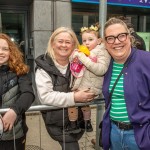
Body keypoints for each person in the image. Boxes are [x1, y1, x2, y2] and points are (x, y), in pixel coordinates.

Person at [35, 27, 95, 150]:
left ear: (74, 45)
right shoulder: (43, 68)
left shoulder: (79, 62)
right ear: (52, 43)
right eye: (60, 41)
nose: (64, 45)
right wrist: (75, 97)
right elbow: (45, 96)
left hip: (77, 120)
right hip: (58, 123)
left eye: (68, 42)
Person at [101, 17, 150, 150]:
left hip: (140, 135)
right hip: (114, 133)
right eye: (110, 38)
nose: (116, 42)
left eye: (121, 36)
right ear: (105, 43)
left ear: (129, 37)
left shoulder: (147, 60)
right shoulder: (106, 65)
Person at [66, 24, 110, 134]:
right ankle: (87, 123)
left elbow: (100, 70)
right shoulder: (84, 51)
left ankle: (73, 125)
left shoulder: (102, 52)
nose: (87, 42)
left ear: (99, 40)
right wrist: (74, 55)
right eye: (84, 40)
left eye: (90, 39)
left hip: (92, 86)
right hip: (85, 84)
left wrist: (82, 57)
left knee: (72, 102)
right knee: (84, 104)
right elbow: (73, 61)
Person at [0, 33, 35, 150]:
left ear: (11, 52)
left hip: (14, 133)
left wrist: (14, 111)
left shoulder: (19, 72)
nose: (1, 52)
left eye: (5, 49)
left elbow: (28, 94)